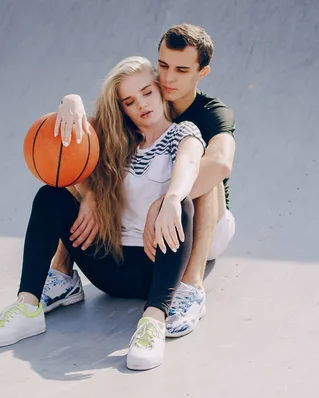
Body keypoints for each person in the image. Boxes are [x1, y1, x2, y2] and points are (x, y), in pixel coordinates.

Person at [0, 56, 206, 371]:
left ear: (159, 89)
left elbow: (190, 165)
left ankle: (153, 320)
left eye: (146, 92)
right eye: (129, 101)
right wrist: (70, 101)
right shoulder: (114, 138)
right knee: (51, 196)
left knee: (181, 206)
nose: (141, 104)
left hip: (155, 268)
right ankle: (28, 307)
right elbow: (72, 129)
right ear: (121, 108)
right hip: (107, 267)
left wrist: (170, 198)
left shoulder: (184, 132)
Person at [44, 23, 236, 338]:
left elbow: (221, 163)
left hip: (205, 220)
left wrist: (164, 202)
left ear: (202, 73)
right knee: (77, 159)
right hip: (148, 224)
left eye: (182, 69)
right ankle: (62, 272)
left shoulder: (211, 112)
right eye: (163, 65)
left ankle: (191, 287)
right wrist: (71, 101)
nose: (169, 77)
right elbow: (88, 131)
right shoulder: (146, 96)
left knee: (202, 169)